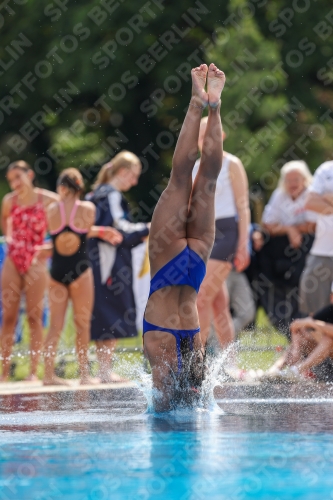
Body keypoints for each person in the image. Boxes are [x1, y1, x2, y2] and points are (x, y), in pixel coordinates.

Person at [143, 63, 225, 412]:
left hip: (177, 300)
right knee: (186, 178)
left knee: (199, 178)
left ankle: (204, 105)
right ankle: (209, 106)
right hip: (182, 290)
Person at [41, 168, 122, 385]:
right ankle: (84, 376)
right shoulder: (88, 208)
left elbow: (61, 232)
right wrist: (103, 231)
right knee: (82, 324)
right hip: (80, 270)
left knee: (55, 326)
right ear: (80, 187)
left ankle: (47, 376)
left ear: (62, 188)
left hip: (57, 270)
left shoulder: (51, 210)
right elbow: (83, 230)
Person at [86, 152, 149, 383]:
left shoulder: (94, 193)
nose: (134, 182)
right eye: (133, 176)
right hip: (107, 260)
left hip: (95, 260)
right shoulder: (110, 194)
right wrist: (147, 228)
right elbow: (118, 228)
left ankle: (103, 370)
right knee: (108, 309)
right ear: (122, 172)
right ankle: (103, 370)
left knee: (102, 309)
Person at [195, 118, 250, 350]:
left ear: (222, 136)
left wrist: (243, 244)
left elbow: (243, 205)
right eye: (201, 135)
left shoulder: (231, 164)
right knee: (218, 304)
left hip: (226, 232)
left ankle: (198, 361)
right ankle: (230, 364)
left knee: (201, 298)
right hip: (203, 234)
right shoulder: (195, 167)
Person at [0, 160, 58, 381]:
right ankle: (3, 374)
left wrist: (52, 245)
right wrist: (10, 239)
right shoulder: (9, 201)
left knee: (35, 316)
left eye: (18, 177)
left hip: (36, 258)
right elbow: (6, 222)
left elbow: (67, 218)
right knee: (8, 317)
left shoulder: (49, 199)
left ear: (30, 174)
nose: (15, 183)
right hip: (12, 258)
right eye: (10, 180)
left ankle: (33, 372)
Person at [258, 160, 316, 335]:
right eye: (289, 180)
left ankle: (307, 330)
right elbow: (267, 224)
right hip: (281, 253)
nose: (293, 184)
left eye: (296, 179)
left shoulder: (312, 195)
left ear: (304, 180)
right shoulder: (279, 195)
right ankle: (290, 331)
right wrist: (291, 229)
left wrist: (288, 229)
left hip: (308, 249)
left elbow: (312, 225)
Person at [264, 305, 333, 382]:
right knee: (304, 332)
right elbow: (295, 325)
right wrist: (296, 350)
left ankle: (297, 370)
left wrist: (312, 323)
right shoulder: (328, 310)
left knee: (328, 339)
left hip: (326, 361)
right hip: (322, 359)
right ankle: (276, 368)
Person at [300, 160, 333, 315]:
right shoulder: (326, 169)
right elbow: (310, 202)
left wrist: (328, 197)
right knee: (315, 310)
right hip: (321, 251)